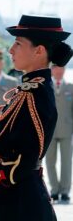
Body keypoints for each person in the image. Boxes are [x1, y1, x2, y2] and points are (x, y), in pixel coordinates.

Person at [0, 15, 73, 221]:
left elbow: (23, 158)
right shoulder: (29, 89)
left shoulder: (36, 93)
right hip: (12, 199)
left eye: (18, 44)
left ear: (39, 50)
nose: (10, 50)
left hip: (20, 204)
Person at [46, 64, 72, 203]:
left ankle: (65, 190)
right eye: (56, 67)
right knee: (50, 161)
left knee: (66, 161)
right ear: (52, 70)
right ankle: (55, 190)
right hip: (50, 130)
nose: (59, 71)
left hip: (67, 129)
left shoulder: (70, 87)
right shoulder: (46, 87)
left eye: (62, 68)